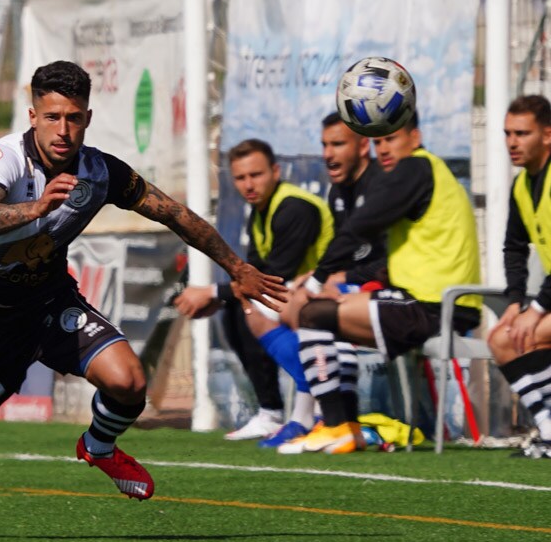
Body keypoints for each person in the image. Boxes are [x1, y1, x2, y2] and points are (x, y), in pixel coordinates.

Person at [0, 61, 288, 539]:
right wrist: (36, 207)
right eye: (53, 117)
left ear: (87, 117)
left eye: (74, 118)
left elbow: (175, 214)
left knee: (129, 381)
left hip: (46, 300)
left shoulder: (99, 172)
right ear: (33, 115)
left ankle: (98, 446)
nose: (64, 130)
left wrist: (237, 267)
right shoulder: (6, 158)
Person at [278, 111, 482, 454]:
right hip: (421, 300)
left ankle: (334, 424)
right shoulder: (413, 171)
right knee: (317, 314)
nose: (383, 149)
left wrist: (320, 279)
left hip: (435, 304)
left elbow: (362, 228)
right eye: (378, 141)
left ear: (415, 137)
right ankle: (342, 426)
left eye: (391, 139)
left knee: (312, 312)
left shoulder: (415, 167)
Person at [173, 138, 332, 441]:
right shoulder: (262, 210)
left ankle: (313, 404)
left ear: (275, 170)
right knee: (238, 305)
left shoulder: (294, 208)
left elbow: (275, 278)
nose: (248, 184)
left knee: (250, 304)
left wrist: (210, 292)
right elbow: (258, 277)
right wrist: (221, 297)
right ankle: (271, 412)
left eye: (256, 175)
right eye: (241, 177)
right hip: (297, 299)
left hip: (327, 294)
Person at [252, 113, 389, 448]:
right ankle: (314, 414)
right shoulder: (338, 192)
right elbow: (344, 253)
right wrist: (315, 276)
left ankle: (322, 419)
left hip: (388, 289)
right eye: (325, 144)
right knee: (259, 309)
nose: (328, 153)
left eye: (338, 144)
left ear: (363, 146)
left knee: (306, 306)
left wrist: (331, 279)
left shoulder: (382, 186)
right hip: (350, 285)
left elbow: (388, 261)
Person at [486, 94, 551, 459]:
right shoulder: (522, 186)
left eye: (522, 133)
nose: (512, 142)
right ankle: (547, 427)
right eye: (508, 133)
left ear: (547, 135)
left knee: (521, 333)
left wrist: (538, 307)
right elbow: (514, 247)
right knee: (503, 337)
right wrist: (515, 302)